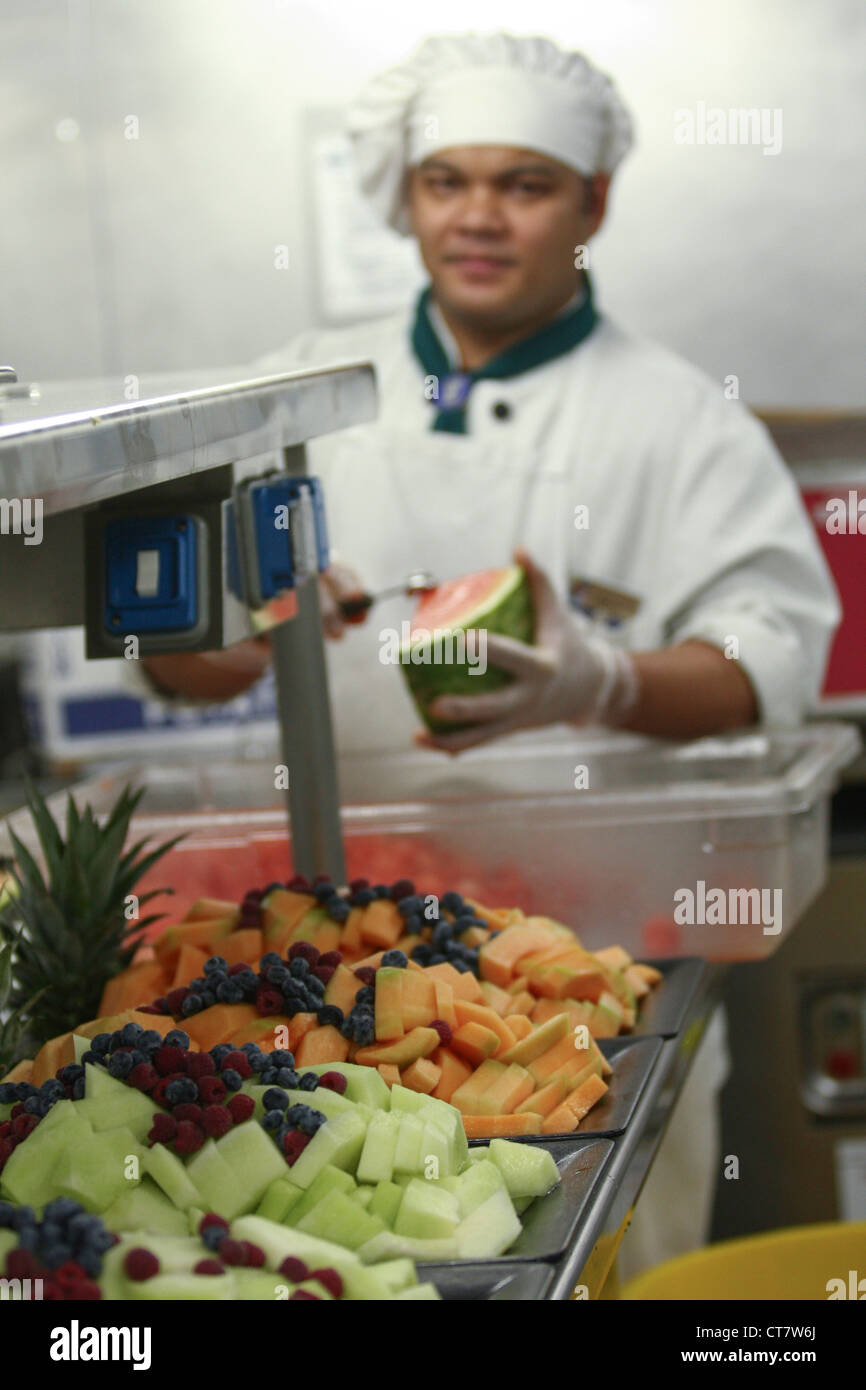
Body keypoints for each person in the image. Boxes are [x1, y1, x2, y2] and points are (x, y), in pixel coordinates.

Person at [139, 33, 840, 1278]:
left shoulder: (676, 419)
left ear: (593, 201)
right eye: (444, 180)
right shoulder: (301, 396)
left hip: (601, 966)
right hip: (326, 961)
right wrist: (250, 638)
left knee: (610, 1265)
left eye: (523, 184)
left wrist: (601, 683)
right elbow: (170, 653)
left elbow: (770, 653)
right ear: (404, 197)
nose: (477, 217)